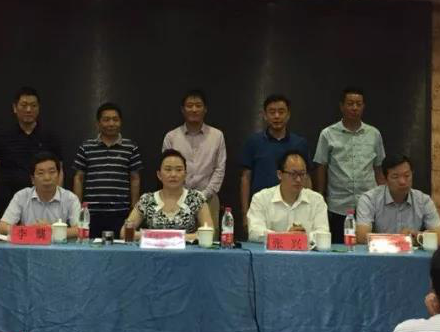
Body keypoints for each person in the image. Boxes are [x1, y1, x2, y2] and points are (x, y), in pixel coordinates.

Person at [313, 87, 386, 243]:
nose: (354, 108)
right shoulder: (327, 134)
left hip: (369, 203)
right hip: (338, 205)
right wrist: (320, 195)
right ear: (342, 106)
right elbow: (321, 166)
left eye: (358, 104)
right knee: (339, 248)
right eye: (350, 103)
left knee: (368, 247)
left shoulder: (374, 134)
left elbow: (378, 168)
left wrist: (385, 197)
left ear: (363, 106)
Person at [0, 87, 63, 225]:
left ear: (39, 108)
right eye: (24, 105)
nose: (28, 110)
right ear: (15, 108)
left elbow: (59, 171)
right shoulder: (1, 136)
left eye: (33, 105)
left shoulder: (50, 137)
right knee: (9, 235)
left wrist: (58, 202)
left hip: (41, 203)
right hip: (7, 201)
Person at [239, 94, 309, 228]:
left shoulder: (299, 143)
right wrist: (245, 214)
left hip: (294, 210)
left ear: (288, 115)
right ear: (265, 115)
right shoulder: (253, 142)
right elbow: (245, 178)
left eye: (281, 112)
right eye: (272, 112)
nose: (277, 116)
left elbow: (306, 178)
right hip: (261, 209)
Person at [72, 103, 142, 236]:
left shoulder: (131, 147)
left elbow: (135, 178)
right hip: (91, 213)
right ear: (98, 123)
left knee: (120, 246)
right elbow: (78, 178)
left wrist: (134, 207)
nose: (111, 123)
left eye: (115, 119)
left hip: (120, 212)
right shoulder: (86, 147)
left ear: (121, 122)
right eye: (106, 119)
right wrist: (77, 206)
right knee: (91, 247)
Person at [162, 89, 226, 229]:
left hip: (208, 198)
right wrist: (183, 194)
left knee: (209, 239)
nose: (194, 109)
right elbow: (166, 169)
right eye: (189, 106)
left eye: (198, 105)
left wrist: (204, 195)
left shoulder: (217, 136)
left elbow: (219, 169)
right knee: (179, 238)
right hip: (176, 198)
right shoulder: (171, 137)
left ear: (205, 109)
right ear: (182, 110)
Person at [122, 150, 213, 242]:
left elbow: (210, 232)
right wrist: (161, 236)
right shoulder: (147, 200)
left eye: (179, 170)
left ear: (185, 174)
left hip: (187, 250)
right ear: (159, 175)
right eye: (168, 169)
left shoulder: (196, 198)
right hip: (154, 250)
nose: (173, 174)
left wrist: (167, 236)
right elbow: (124, 233)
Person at [355, 153, 440, 243]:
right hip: (380, 251)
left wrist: (416, 236)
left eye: (407, 175)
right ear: (385, 179)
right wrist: (400, 238)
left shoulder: (424, 201)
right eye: (395, 177)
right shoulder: (369, 199)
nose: (402, 182)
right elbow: (362, 237)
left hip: (411, 252)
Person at [246, 150, 329, 242]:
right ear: (279, 174)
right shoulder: (261, 198)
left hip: (306, 251)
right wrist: (286, 237)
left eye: (302, 174)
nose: (298, 179)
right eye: (293, 174)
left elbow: (323, 234)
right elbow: (255, 232)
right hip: (272, 251)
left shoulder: (316, 200)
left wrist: (301, 237)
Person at [0, 152, 82, 237]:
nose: (47, 178)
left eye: (52, 172)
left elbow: (80, 230)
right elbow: (2, 228)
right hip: (29, 244)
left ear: (59, 176)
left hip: (58, 244)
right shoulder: (22, 196)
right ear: (32, 179)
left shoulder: (70, 198)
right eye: (41, 173)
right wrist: (30, 230)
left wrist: (52, 230)